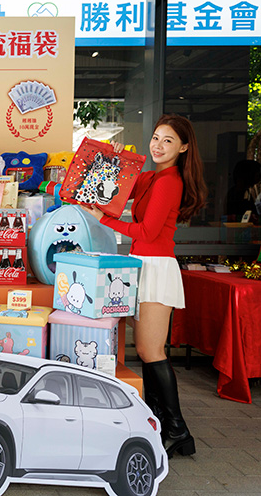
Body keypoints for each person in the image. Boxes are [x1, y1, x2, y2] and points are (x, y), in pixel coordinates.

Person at [83, 114, 206, 459]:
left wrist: (104, 220)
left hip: (156, 267)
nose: (158, 145)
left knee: (152, 352)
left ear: (183, 148)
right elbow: (115, 192)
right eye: (156, 138)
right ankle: (158, 422)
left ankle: (178, 430)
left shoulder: (170, 182)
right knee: (147, 351)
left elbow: (148, 232)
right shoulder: (152, 177)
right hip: (142, 265)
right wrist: (115, 159)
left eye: (168, 141)